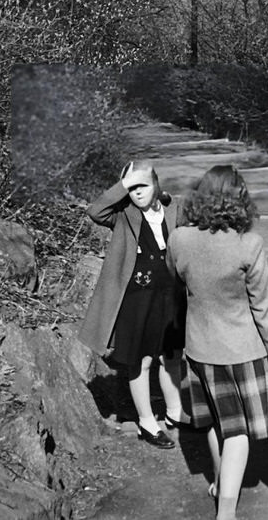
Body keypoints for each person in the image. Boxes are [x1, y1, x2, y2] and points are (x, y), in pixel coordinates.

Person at [168, 165, 268, 520]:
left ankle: (221, 484)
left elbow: (178, 282)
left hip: (199, 347)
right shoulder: (249, 245)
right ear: (240, 201)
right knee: (238, 432)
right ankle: (226, 513)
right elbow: (263, 307)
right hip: (242, 351)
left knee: (215, 422)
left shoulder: (179, 239)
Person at [77, 160, 186, 448]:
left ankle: (175, 412)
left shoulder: (173, 209)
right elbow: (94, 211)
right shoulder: (123, 214)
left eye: (143, 185)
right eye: (132, 187)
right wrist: (124, 184)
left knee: (171, 356)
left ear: (157, 184)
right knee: (142, 360)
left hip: (170, 295)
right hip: (137, 298)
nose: (137, 192)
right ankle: (147, 421)